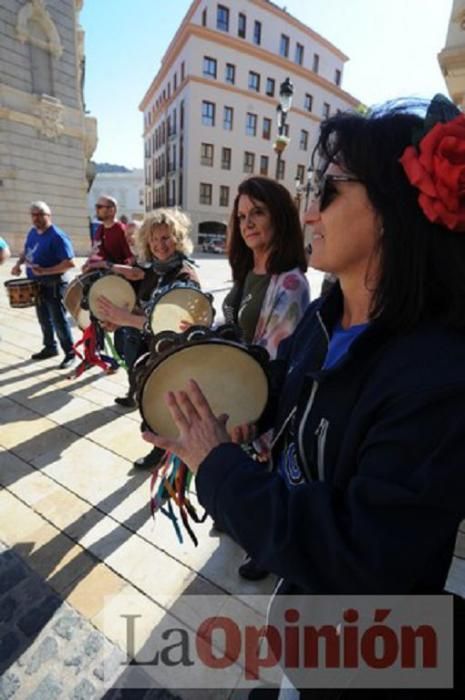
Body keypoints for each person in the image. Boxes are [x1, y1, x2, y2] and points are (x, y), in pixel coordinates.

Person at [143, 98, 465, 697]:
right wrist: (230, 411)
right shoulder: (324, 317)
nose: (310, 210)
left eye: (331, 189)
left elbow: (362, 555)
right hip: (306, 623)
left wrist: (219, 469)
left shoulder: (437, 380)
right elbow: (290, 399)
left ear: (393, 210)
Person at [221, 176, 310, 580]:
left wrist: (254, 413)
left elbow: (276, 359)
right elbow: (236, 326)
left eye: (258, 212)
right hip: (239, 383)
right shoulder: (246, 271)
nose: (248, 223)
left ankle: (266, 548)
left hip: (263, 396)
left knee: (266, 478)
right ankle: (239, 518)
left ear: (279, 216)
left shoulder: (290, 282)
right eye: (241, 216)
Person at [94, 208, 200, 469]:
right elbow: (146, 308)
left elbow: (170, 326)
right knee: (150, 403)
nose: (159, 245)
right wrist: (118, 318)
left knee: (167, 409)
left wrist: (125, 318)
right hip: (149, 353)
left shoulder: (185, 276)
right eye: (154, 240)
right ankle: (160, 448)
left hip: (173, 358)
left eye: (166, 238)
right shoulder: (153, 270)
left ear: (178, 239)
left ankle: (166, 455)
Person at [11, 201, 76, 369]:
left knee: (59, 320)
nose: (36, 218)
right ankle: (50, 347)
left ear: (49, 215)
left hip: (54, 284)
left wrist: (46, 271)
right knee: (43, 319)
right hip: (37, 284)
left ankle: (70, 353)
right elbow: (27, 250)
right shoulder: (33, 232)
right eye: (33, 215)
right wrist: (18, 264)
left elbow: (70, 263)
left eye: (40, 214)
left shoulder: (57, 236)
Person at [83, 195, 133, 270]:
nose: (96, 210)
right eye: (96, 206)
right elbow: (96, 252)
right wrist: (87, 264)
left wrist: (102, 265)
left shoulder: (122, 231)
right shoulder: (100, 229)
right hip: (100, 273)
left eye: (99, 207)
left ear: (111, 210)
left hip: (115, 277)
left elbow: (130, 260)